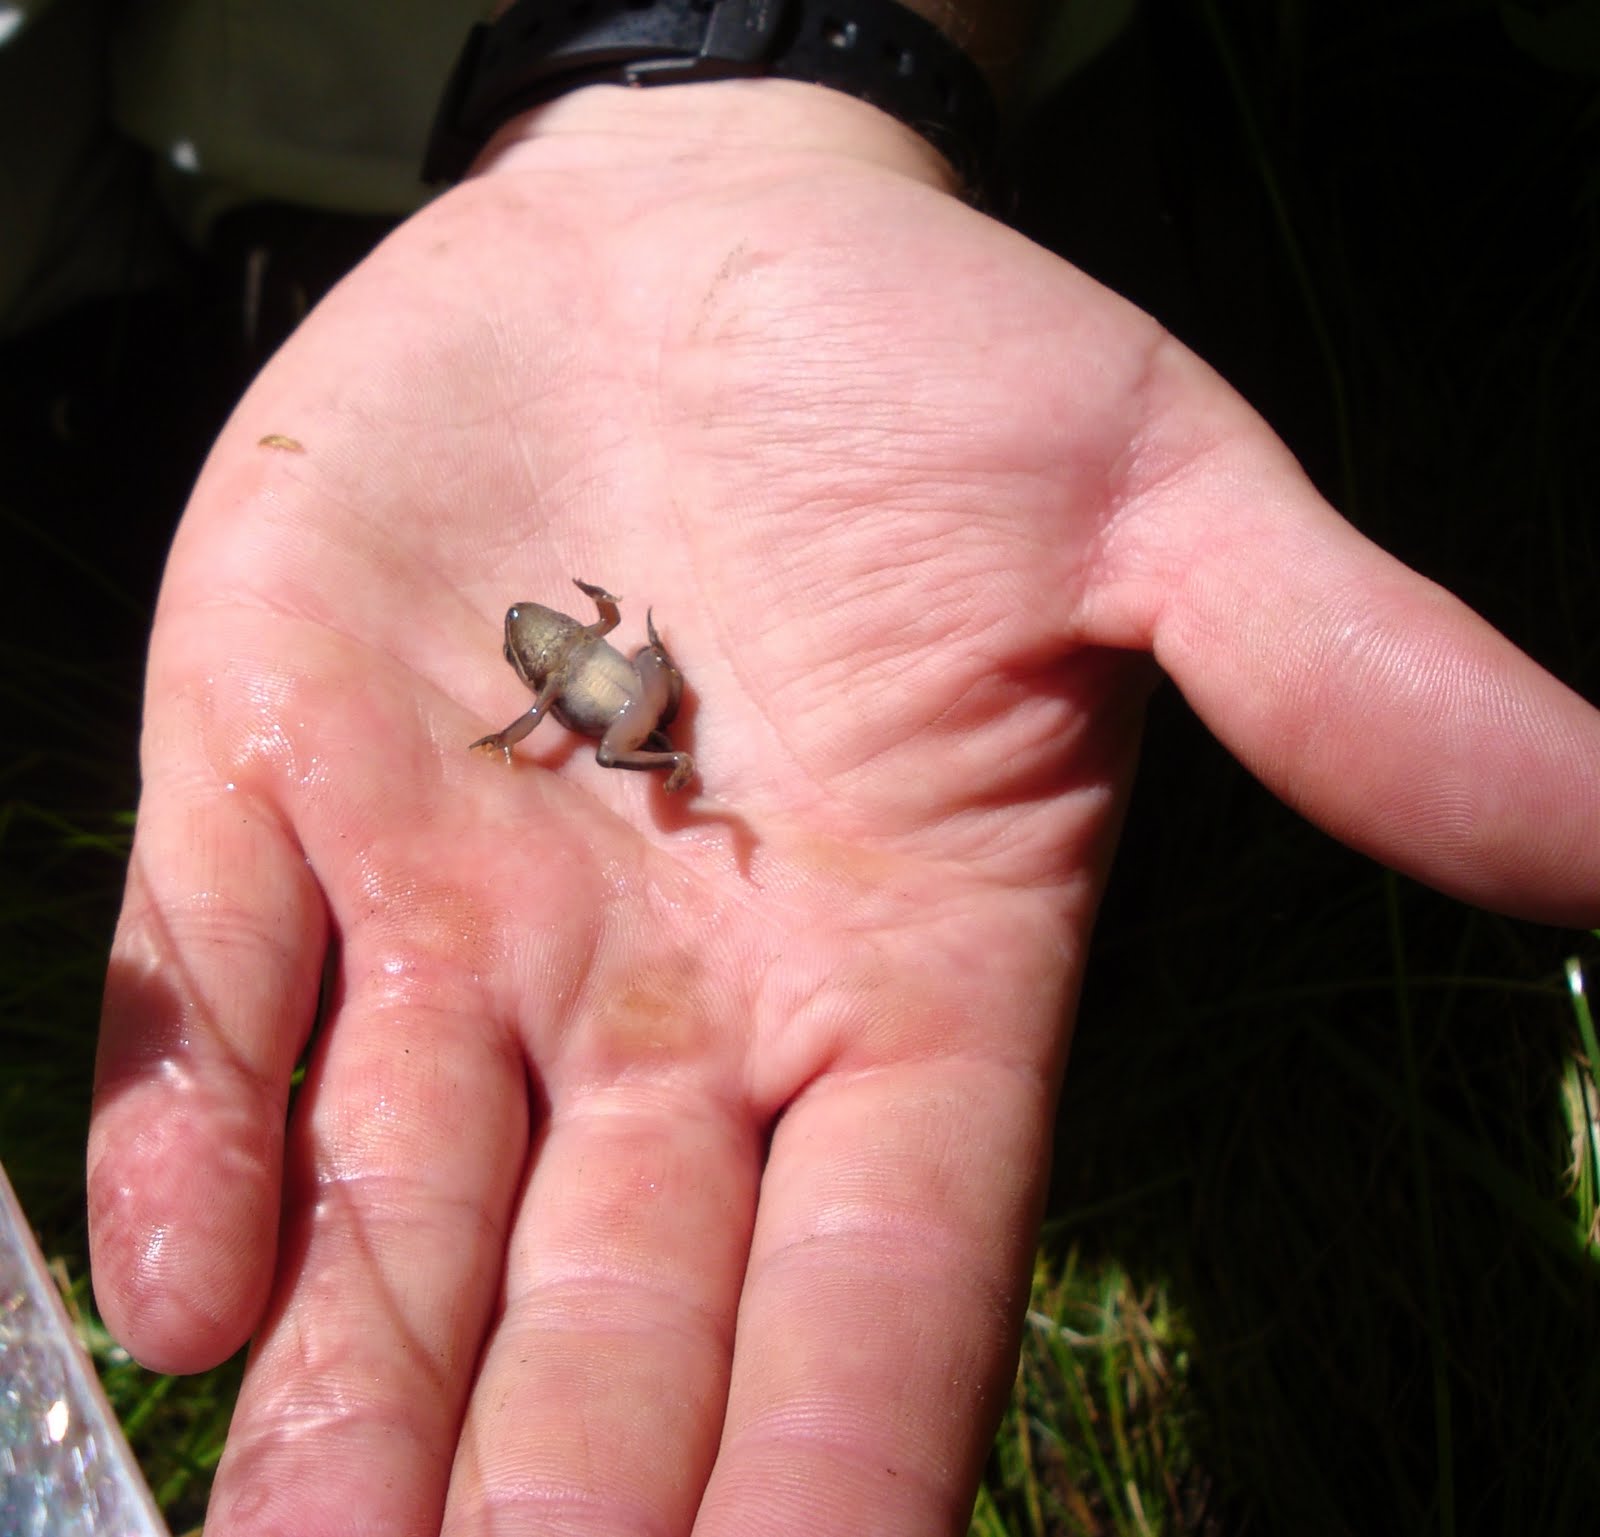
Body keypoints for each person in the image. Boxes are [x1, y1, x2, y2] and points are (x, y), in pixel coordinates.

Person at [81, 8, 1600, 1536]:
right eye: (531, 648)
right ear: (538, 653)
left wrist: (769, 96)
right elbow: (584, 660)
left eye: (531, 645)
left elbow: (575, 681)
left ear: (536, 649)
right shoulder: (558, 670)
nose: (532, 648)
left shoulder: (557, 680)